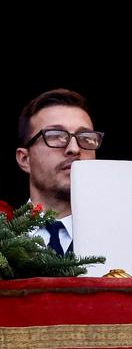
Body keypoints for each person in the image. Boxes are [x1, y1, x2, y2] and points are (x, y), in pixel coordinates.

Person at [15, 88, 104, 256]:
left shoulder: (123, 236)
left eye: (86, 137)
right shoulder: (5, 240)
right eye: (55, 135)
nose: (74, 148)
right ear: (25, 159)